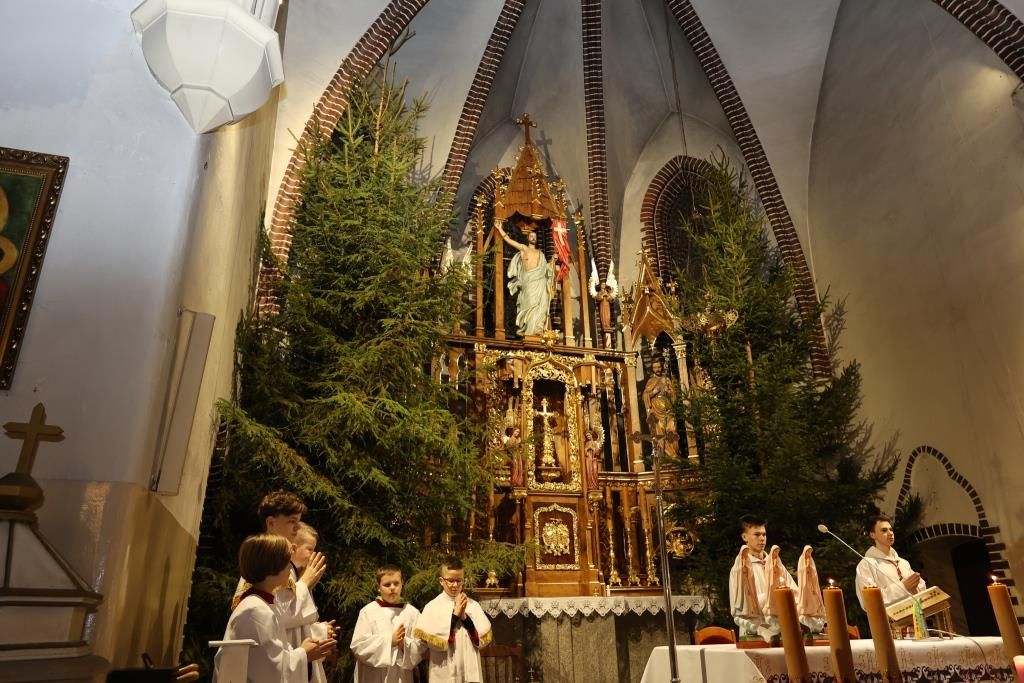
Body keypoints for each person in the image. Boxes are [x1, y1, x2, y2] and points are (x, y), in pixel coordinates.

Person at [233, 492, 331, 682]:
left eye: (298, 521)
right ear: (271, 523)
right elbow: (279, 617)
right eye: (292, 521)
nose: (297, 528)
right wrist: (305, 583)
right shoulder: (264, 566)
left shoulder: (281, 565)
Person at [214, 534, 336, 683]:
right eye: (286, 563)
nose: (289, 568)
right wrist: (304, 654)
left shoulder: (263, 605)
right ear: (272, 568)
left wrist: (304, 650)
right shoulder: (255, 610)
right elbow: (269, 671)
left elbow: (275, 655)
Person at [728, 515, 807, 641]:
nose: (762, 539)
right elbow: (739, 608)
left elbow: (795, 594)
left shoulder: (776, 564)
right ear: (744, 537)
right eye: (756, 534)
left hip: (784, 630)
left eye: (764, 535)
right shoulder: (739, 569)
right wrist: (770, 602)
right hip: (755, 632)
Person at [414, 556, 492, 682]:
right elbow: (436, 644)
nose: (455, 585)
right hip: (444, 673)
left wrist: (464, 617)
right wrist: (455, 616)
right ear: (441, 581)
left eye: (459, 580)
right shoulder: (432, 607)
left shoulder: (473, 606)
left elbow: (480, 642)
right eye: (450, 580)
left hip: (470, 672)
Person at [351, 564, 424, 683]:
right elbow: (358, 646)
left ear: (402, 585)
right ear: (378, 587)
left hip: (401, 676)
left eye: (396, 583)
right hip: (373, 676)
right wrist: (390, 641)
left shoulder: (412, 613)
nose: (392, 588)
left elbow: (421, 646)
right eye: (387, 584)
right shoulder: (368, 612)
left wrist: (404, 644)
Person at [496, 222, 554, 336]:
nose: (533, 238)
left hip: (540, 282)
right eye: (531, 236)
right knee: (529, 304)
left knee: (541, 305)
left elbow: (546, 269)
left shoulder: (541, 254)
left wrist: (552, 261)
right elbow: (509, 240)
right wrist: (500, 229)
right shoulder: (524, 248)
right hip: (528, 281)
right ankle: (527, 329)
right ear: (528, 238)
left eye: (535, 237)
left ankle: (538, 329)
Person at [855, 515, 925, 608]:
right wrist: (903, 587)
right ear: (872, 535)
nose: (890, 533)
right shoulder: (866, 565)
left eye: (891, 530)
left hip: (915, 612)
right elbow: (868, 601)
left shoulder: (903, 563)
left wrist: (915, 587)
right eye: (884, 530)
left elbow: (921, 588)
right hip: (889, 616)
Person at [642, 358, 679, 459]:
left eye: (659, 367)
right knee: (660, 433)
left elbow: (674, 395)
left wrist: (668, 391)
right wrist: (654, 392)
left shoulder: (666, 379)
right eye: (655, 367)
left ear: (661, 367)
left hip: (668, 409)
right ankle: (663, 457)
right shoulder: (651, 381)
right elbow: (645, 396)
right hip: (657, 411)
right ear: (652, 369)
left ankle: (674, 455)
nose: (657, 369)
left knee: (672, 430)